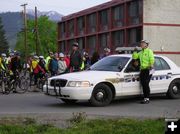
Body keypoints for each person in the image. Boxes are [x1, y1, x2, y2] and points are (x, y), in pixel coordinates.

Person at [132, 40, 155, 104]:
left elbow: (152, 59)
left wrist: (151, 65)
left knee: (145, 83)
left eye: (143, 43)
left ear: (146, 45)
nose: (141, 44)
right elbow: (135, 57)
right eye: (141, 43)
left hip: (148, 69)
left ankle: (147, 98)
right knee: (143, 84)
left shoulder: (149, 51)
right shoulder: (140, 52)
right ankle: (145, 98)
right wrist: (135, 51)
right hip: (142, 70)